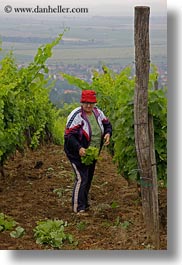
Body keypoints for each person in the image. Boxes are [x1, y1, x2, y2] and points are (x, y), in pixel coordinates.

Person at [64, 90, 112, 215]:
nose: (88, 106)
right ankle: (78, 208)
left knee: (88, 178)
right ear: (82, 102)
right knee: (81, 178)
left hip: (92, 153)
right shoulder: (76, 115)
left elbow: (107, 125)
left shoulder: (98, 113)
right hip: (76, 153)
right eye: (86, 103)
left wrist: (107, 134)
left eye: (91, 103)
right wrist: (79, 148)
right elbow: (69, 136)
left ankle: (84, 203)